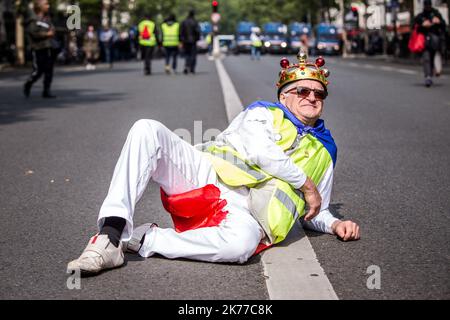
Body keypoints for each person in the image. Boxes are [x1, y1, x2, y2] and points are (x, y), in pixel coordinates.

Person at [67, 51, 360, 275]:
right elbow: (260, 150)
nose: (311, 97)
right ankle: (110, 234)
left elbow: (316, 206)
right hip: (207, 174)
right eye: (302, 91)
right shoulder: (263, 113)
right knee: (147, 129)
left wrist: (335, 223)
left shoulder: (326, 148)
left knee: (241, 247)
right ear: (284, 96)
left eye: (318, 93)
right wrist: (305, 183)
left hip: (250, 213)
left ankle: (143, 240)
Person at [23, 0, 56, 98]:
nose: (48, 6)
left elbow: (52, 28)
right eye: (46, 4)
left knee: (49, 70)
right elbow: (33, 33)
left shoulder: (46, 18)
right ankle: (28, 83)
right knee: (38, 70)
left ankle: (46, 91)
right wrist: (47, 34)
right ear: (40, 6)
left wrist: (52, 31)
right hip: (38, 48)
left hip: (48, 47)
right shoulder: (33, 19)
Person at [414, 0, 446, 87]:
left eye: (428, 5)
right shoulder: (421, 16)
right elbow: (415, 26)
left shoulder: (436, 14)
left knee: (435, 57)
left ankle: (435, 71)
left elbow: (443, 25)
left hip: (436, 41)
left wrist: (438, 22)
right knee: (427, 58)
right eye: (426, 5)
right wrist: (422, 24)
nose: (427, 7)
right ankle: (428, 77)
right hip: (424, 41)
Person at [180, 9, 200, 74]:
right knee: (193, 55)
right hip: (193, 41)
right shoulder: (195, 22)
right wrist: (197, 39)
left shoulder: (184, 22)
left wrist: (181, 40)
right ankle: (192, 68)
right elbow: (198, 31)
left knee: (187, 54)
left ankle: (186, 66)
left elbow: (181, 32)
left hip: (185, 41)